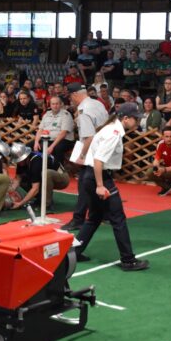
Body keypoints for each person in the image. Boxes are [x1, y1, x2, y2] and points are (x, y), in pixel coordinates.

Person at [73, 102, 149, 271]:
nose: (137, 122)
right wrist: (100, 186)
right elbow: (99, 160)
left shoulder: (109, 129)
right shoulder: (113, 133)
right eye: (135, 119)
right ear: (125, 118)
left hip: (89, 176)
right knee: (118, 218)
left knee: (94, 218)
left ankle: (74, 252)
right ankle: (128, 260)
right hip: (99, 177)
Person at [61, 82, 110, 232]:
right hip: (105, 147)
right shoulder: (98, 104)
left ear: (75, 95)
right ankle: (106, 214)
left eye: (70, 97)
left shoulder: (84, 110)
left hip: (92, 151)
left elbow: (89, 137)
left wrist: (81, 155)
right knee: (101, 182)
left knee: (84, 184)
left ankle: (78, 219)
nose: (70, 100)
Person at [9, 143, 70, 210]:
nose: (17, 162)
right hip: (44, 177)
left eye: (19, 160)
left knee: (47, 174)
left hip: (62, 178)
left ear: (25, 156)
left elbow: (35, 189)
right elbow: (17, 179)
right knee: (24, 179)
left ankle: (46, 203)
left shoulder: (36, 161)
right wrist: (9, 191)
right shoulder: (22, 162)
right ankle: (40, 199)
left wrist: (21, 203)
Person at [34, 95, 74, 167]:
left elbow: (63, 133)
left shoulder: (66, 115)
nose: (55, 106)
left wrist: (52, 146)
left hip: (64, 140)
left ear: (61, 104)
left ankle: (58, 169)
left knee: (57, 148)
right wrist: (36, 142)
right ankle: (36, 169)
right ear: (50, 105)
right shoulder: (47, 114)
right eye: (53, 104)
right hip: (48, 139)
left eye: (57, 104)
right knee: (31, 145)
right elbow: (40, 130)